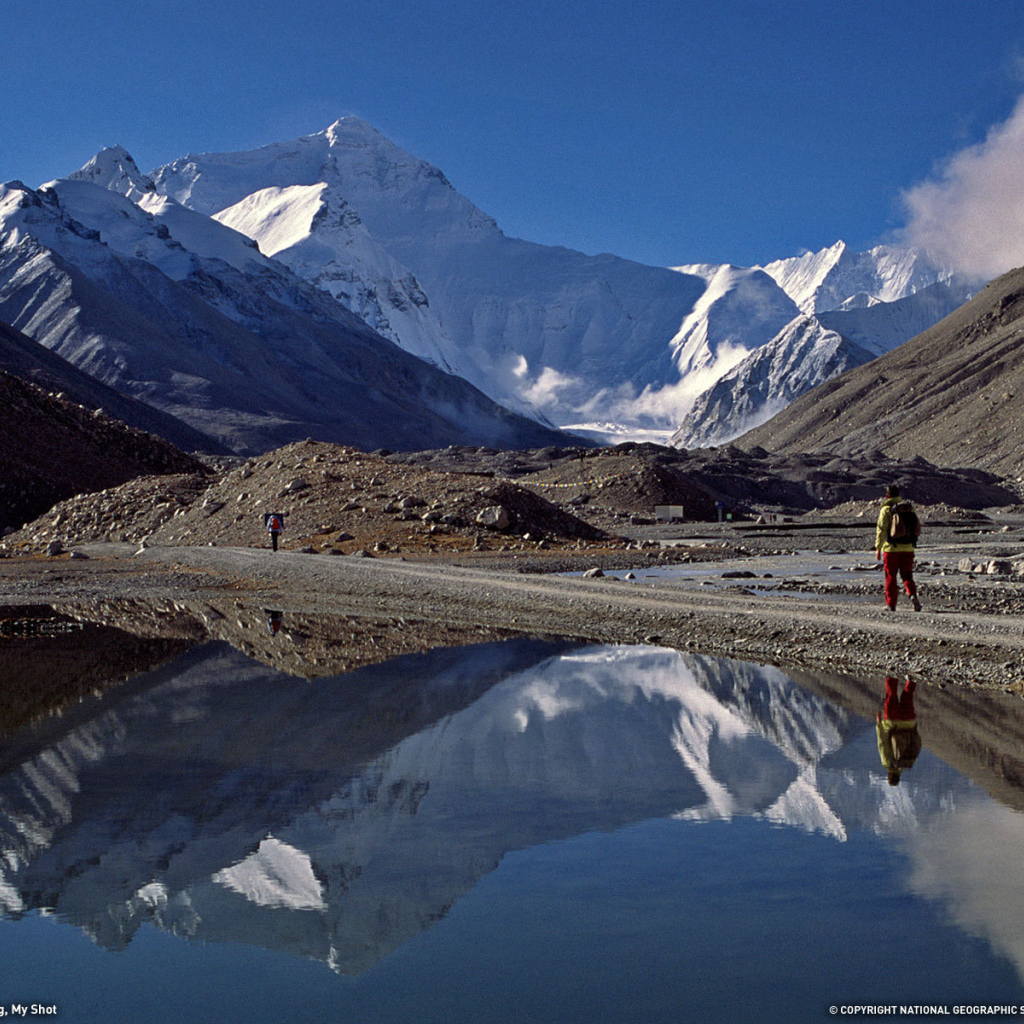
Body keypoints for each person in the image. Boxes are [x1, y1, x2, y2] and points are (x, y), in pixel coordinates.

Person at [875, 485, 921, 612]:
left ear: (887, 496)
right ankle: (912, 596)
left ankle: (891, 604)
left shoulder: (886, 510)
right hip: (908, 548)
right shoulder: (908, 508)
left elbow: (881, 530)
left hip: (891, 549)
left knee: (891, 576)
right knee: (907, 575)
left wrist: (878, 548)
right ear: (898, 494)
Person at [876, 675, 922, 785]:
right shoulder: (887, 763)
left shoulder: (908, 762)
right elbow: (882, 743)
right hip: (892, 722)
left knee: (907, 696)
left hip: (908, 722)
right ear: (888, 775)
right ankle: (892, 674)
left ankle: (911, 680)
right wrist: (879, 723)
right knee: (891, 695)